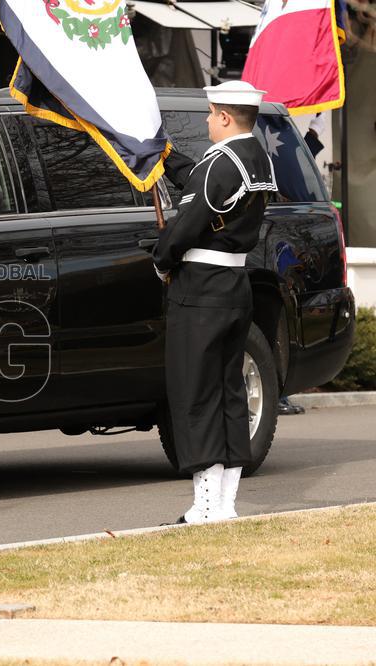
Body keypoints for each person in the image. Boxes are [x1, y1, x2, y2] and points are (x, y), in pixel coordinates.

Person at [153, 80, 278, 524]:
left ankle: (204, 506)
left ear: (225, 117)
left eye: (210, 114)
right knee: (228, 392)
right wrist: (165, 159)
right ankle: (224, 503)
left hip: (200, 288)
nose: (207, 120)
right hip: (234, 285)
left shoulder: (220, 163)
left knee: (194, 393)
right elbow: (203, 186)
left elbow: (188, 223)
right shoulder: (254, 156)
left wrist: (162, 260)